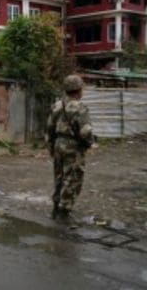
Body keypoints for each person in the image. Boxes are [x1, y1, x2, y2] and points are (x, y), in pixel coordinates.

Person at [46, 75, 94, 223]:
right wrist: (89, 144)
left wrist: (51, 147)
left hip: (58, 144)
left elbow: (49, 128)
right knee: (72, 178)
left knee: (59, 177)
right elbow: (85, 131)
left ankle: (55, 208)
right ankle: (64, 212)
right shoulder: (80, 107)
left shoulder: (57, 105)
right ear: (79, 89)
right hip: (73, 146)